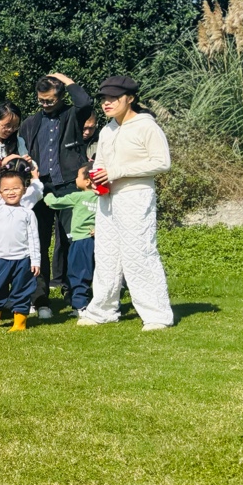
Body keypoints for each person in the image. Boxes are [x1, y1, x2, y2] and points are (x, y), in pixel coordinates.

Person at [80, 76, 174, 330]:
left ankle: (157, 315)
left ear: (130, 98)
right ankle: (102, 311)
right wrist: (96, 178)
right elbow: (101, 163)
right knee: (106, 253)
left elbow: (162, 162)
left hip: (135, 195)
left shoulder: (146, 126)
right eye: (104, 98)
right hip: (107, 197)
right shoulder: (107, 129)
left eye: (113, 98)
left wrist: (117, 171)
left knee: (139, 252)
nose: (107, 103)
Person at [19, 73, 94, 318]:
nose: (45, 104)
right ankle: (40, 300)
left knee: (73, 240)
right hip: (40, 188)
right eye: (41, 100)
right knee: (37, 242)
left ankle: (77, 297)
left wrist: (64, 79)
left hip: (70, 185)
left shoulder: (73, 115)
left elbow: (85, 102)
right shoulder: (31, 122)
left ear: (61, 97)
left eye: (50, 100)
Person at [0, 169, 41, 330]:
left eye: (15, 188)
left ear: (24, 190)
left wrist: (35, 261)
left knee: (22, 290)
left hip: (23, 260)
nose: (11, 192)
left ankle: (19, 323)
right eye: (6, 189)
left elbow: (34, 239)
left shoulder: (28, 213)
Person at [44, 165, 97, 315]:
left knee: (77, 273)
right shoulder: (102, 198)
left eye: (78, 176)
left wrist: (47, 193)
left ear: (87, 181)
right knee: (95, 272)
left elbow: (54, 203)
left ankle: (80, 306)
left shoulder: (77, 196)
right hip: (96, 241)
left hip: (80, 241)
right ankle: (98, 302)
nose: (75, 179)